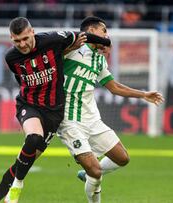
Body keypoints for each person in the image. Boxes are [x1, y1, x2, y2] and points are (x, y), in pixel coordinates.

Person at [0, 17, 111, 203]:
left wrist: (106, 43)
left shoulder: (53, 40)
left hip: (54, 112)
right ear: (11, 39)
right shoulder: (11, 58)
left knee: (25, 161)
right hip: (29, 105)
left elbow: (83, 36)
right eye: (16, 41)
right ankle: (17, 185)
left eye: (25, 38)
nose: (22, 44)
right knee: (33, 137)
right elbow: (23, 81)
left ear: (32, 31)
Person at [57, 16, 164, 203]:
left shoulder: (99, 60)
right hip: (69, 121)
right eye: (104, 30)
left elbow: (114, 87)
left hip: (92, 120)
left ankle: (87, 173)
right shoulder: (70, 50)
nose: (107, 35)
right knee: (96, 172)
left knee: (122, 158)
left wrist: (144, 94)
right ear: (91, 31)